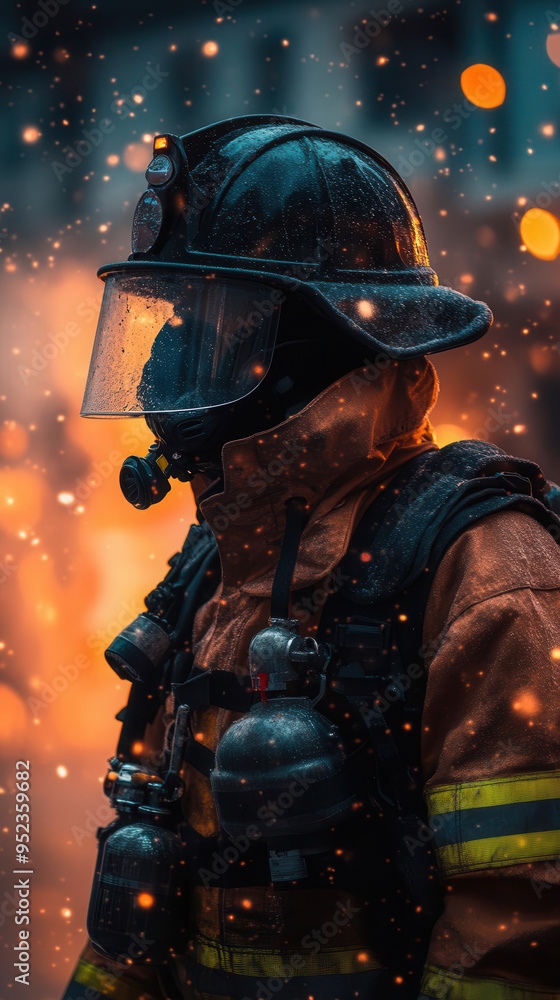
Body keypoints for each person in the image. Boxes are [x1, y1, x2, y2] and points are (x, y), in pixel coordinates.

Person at [61, 116, 560, 1000]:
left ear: (320, 346)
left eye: (214, 323)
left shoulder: (486, 573)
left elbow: (520, 940)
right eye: (173, 321)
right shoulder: (216, 570)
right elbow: (143, 891)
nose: (170, 368)